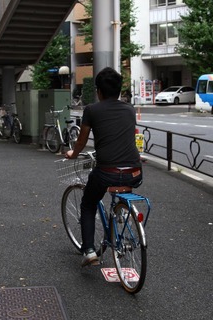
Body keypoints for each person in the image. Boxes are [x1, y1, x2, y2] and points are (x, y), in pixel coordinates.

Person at [65, 67, 143, 267]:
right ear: (118, 90)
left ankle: (89, 251)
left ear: (98, 91)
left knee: (88, 204)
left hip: (106, 172)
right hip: (134, 171)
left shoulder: (92, 110)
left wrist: (73, 154)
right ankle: (121, 214)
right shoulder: (129, 109)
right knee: (121, 185)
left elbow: (81, 142)